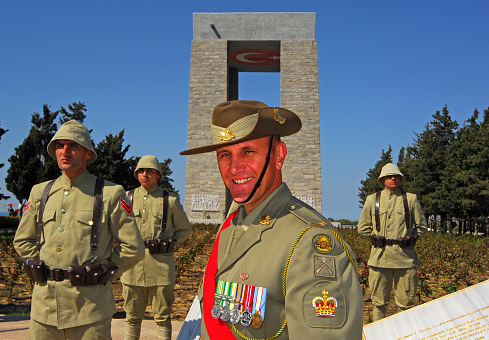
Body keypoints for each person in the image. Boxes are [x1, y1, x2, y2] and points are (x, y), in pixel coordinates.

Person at [180, 100, 363, 339]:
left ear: (279, 155)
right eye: (225, 154)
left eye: (248, 152)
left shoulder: (309, 242)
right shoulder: (232, 224)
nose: (234, 168)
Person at [13, 120, 145, 339]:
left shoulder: (110, 193)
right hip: (44, 308)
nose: (65, 152)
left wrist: (101, 273)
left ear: (87, 153)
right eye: (60, 145)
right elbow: (22, 240)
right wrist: (43, 266)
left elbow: (133, 248)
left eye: (73, 146)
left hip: (90, 309)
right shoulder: (40, 192)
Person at [121, 155, 192, 340]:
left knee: (162, 317)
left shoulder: (170, 201)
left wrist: (170, 244)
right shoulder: (126, 199)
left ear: (158, 175)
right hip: (132, 267)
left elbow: (185, 229)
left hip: (160, 267)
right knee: (132, 318)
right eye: (141, 171)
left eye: (150, 171)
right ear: (137, 174)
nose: (145, 175)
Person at [357, 163, 428, 321]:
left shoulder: (410, 199)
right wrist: (373, 237)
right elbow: (362, 228)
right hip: (380, 259)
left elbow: (423, 227)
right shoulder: (372, 200)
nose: (393, 178)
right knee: (379, 303)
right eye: (389, 176)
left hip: (405, 259)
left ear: (401, 179)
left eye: (396, 176)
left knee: (406, 303)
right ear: (382, 179)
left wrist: (412, 238)